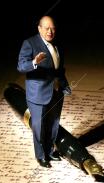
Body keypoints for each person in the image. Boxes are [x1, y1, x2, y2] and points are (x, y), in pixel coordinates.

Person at [17, 16, 71, 168]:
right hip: (38, 95)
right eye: (46, 28)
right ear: (39, 28)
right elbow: (21, 67)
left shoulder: (57, 44)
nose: (50, 31)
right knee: (39, 127)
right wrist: (34, 62)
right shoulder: (30, 43)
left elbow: (59, 69)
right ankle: (41, 156)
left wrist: (64, 85)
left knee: (53, 124)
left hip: (56, 92)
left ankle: (50, 151)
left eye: (53, 28)